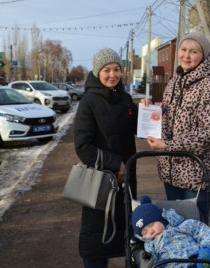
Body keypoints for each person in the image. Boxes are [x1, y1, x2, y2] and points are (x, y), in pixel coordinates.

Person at [144, 31, 210, 224]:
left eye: (193, 51)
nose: (186, 56)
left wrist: (167, 146)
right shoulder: (174, 82)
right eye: (183, 50)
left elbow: (209, 133)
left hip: (196, 172)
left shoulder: (209, 86)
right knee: (175, 224)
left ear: (203, 55)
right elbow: (172, 119)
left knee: (195, 227)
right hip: (171, 170)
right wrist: (152, 112)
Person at [73, 47, 138, 268]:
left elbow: (140, 127)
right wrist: (115, 163)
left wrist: (149, 112)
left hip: (126, 179)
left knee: (127, 234)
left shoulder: (126, 99)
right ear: (97, 72)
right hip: (99, 181)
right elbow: (83, 147)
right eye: (107, 70)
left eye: (117, 69)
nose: (113, 75)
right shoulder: (89, 102)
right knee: (96, 239)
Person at [131, 195, 210, 268]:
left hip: (197, 259)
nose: (151, 231)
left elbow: (205, 232)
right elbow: (149, 261)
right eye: (145, 232)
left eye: (151, 224)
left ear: (162, 219)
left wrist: (207, 249)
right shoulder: (150, 246)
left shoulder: (182, 226)